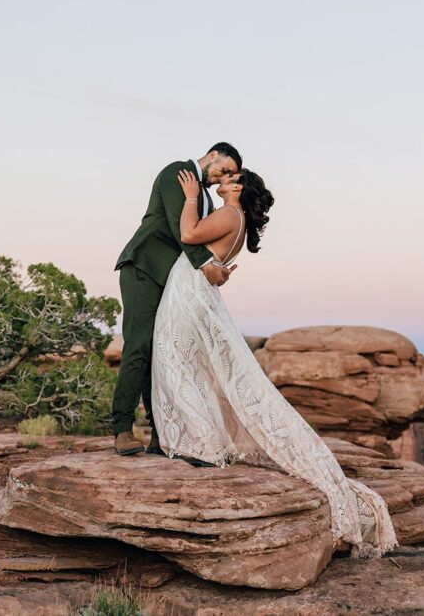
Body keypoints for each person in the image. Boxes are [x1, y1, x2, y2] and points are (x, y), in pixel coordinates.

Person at [149, 166, 399, 559]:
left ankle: (201, 442)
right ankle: (199, 437)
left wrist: (193, 198)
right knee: (189, 361)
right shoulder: (239, 219)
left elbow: (189, 236)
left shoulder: (230, 213)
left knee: (179, 358)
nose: (225, 180)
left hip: (189, 289)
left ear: (240, 188)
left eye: (232, 178)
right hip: (198, 287)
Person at [111, 142, 242, 457]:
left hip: (171, 282)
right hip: (144, 268)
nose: (222, 177)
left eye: (232, 176)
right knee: (139, 346)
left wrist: (217, 266)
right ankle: (122, 429)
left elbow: (203, 234)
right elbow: (177, 227)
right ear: (213, 155)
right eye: (224, 169)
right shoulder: (178, 173)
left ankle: (162, 434)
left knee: (163, 354)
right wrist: (206, 265)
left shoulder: (206, 197)